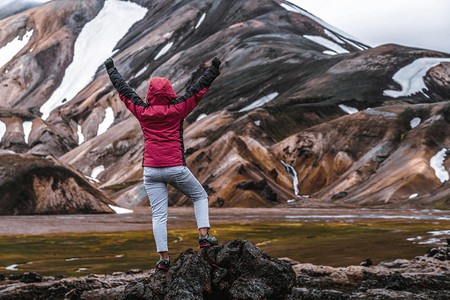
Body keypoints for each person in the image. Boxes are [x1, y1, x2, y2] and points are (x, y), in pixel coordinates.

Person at [104, 56, 221, 270]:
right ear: (170, 92)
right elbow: (198, 89)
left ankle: (164, 259)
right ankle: (204, 235)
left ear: (150, 93)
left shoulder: (142, 111)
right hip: (175, 166)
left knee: (159, 215)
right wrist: (213, 70)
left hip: (151, 170)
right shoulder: (178, 109)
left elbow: (125, 91)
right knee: (199, 195)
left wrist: (111, 70)